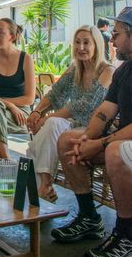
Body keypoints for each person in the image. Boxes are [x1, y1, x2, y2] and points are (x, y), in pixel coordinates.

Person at [51, 7, 132, 257]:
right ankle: (89, 218)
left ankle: (126, 235)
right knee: (67, 141)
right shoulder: (123, 72)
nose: (112, 40)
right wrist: (86, 140)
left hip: (124, 144)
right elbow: (104, 112)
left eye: (117, 34)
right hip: (124, 140)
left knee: (115, 151)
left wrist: (99, 143)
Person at [27, 25, 113, 202]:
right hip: (74, 125)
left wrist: (47, 117)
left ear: (96, 45)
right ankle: (45, 183)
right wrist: (37, 111)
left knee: (46, 130)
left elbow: (86, 106)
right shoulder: (75, 69)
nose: (80, 47)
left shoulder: (107, 71)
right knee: (52, 125)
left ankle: (38, 192)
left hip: (96, 129)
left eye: (86, 43)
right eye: (77, 42)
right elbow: (55, 93)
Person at [0, 18, 35, 158]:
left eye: (0, 32)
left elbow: (29, 98)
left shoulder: (26, 59)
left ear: (12, 36)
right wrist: (9, 105)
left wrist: (12, 107)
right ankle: (5, 158)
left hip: (20, 115)